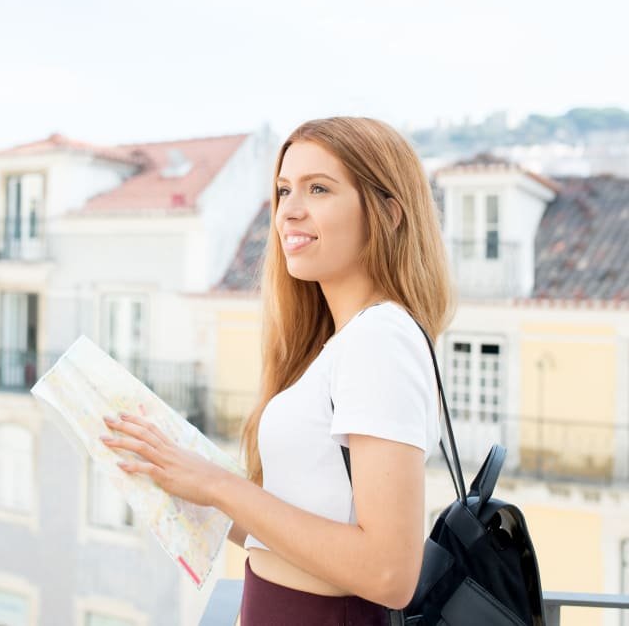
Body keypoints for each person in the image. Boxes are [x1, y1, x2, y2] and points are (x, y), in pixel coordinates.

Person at [100, 116, 453, 625]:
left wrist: (220, 486)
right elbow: (291, 533)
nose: (289, 210)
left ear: (389, 213)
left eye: (319, 188)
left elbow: (389, 573)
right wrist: (173, 474)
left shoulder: (380, 338)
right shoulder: (340, 343)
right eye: (284, 190)